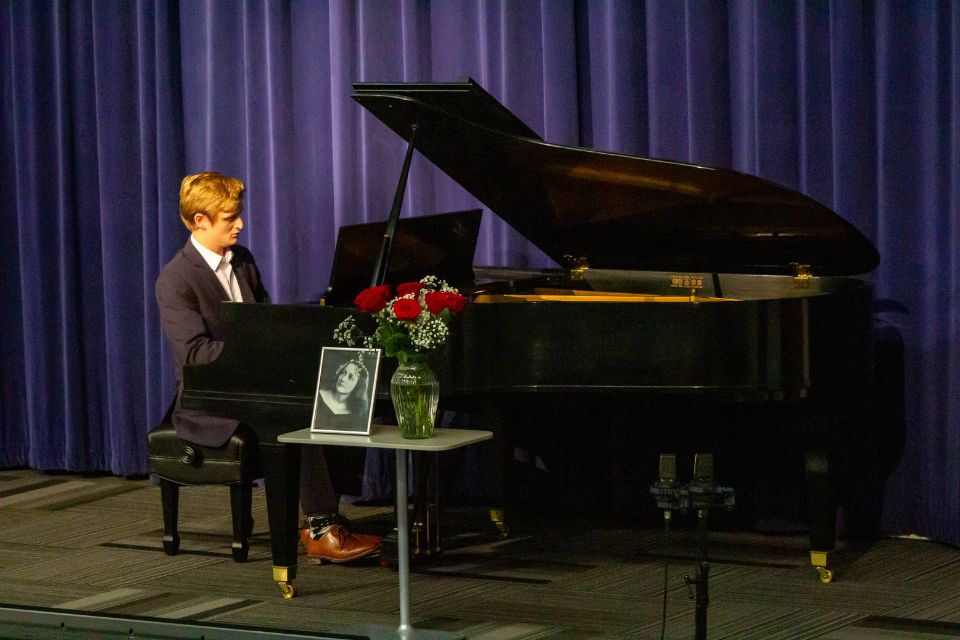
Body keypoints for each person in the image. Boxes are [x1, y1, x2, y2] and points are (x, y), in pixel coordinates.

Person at [155, 171, 379, 564]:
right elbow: (194, 354)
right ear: (200, 220)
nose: (240, 224)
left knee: (340, 392)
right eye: (229, 218)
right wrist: (255, 353)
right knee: (292, 413)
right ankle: (321, 529)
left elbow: (264, 320)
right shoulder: (175, 281)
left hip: (252, 381)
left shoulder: (242, 260)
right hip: (209, 399)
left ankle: (327, 516)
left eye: (238, 215)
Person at [313, 353, 374, 433]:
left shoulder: (357, 415)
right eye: (343, 372)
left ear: (358, 385)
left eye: (351, 377)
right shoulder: (318, 397)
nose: (343, 379)